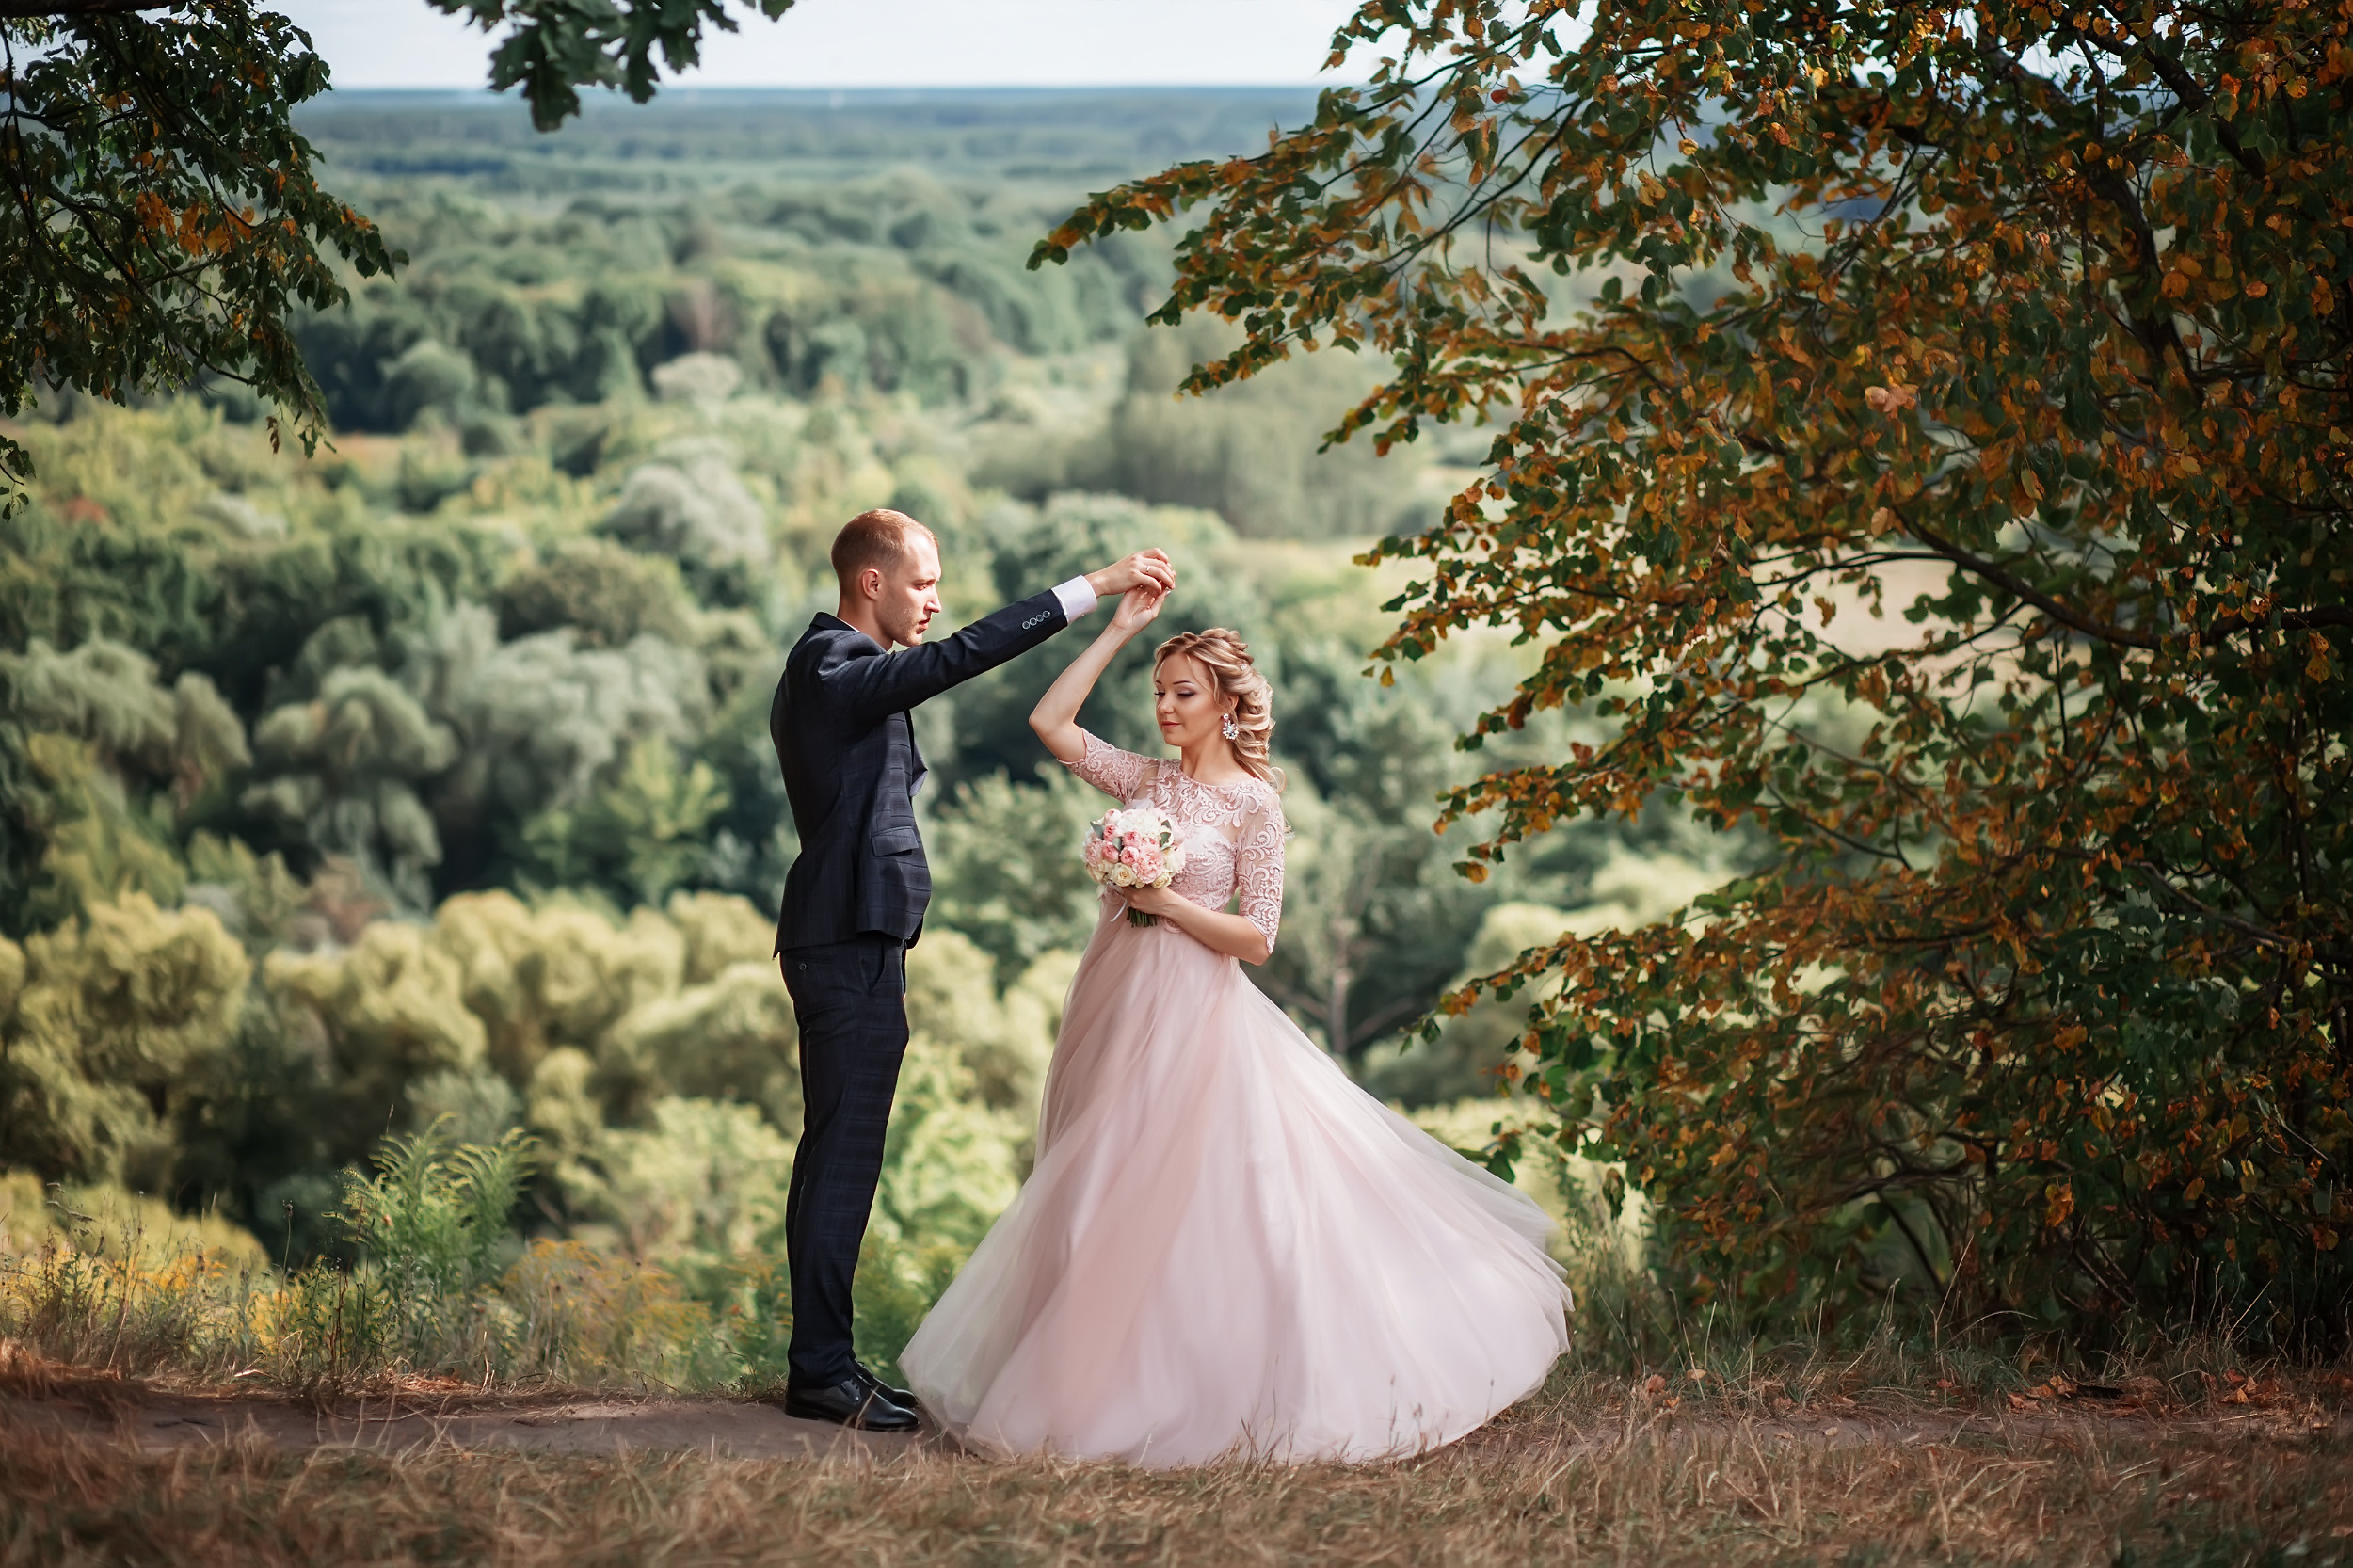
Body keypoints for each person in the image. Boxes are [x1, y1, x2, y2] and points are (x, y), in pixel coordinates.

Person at [899, 582, 1572, 1464]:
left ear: (1225, 701)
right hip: (1110, 995)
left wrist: (1164, 900)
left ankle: (1174, 1390)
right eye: (1159, 692)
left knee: (1165, 1189)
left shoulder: (1256, 806)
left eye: (1184, 692)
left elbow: (1258, 939)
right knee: (1088, 1182)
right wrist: (1119, 628)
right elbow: (1051, 724)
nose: (1167, 707)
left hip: (1193, 1013)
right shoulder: (1144, 778)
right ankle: (1078, 1380)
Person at [769, 507, 1174, 1431]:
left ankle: (823, 1363)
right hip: (844, 941)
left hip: (856, 941)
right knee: (841, 1159)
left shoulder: (842, 672)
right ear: (869, 582)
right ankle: (821, 1372)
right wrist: (1096, 587)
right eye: (921, 582)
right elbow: (957, 658)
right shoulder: (830, 666)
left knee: (836, 1153)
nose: (934, 600)